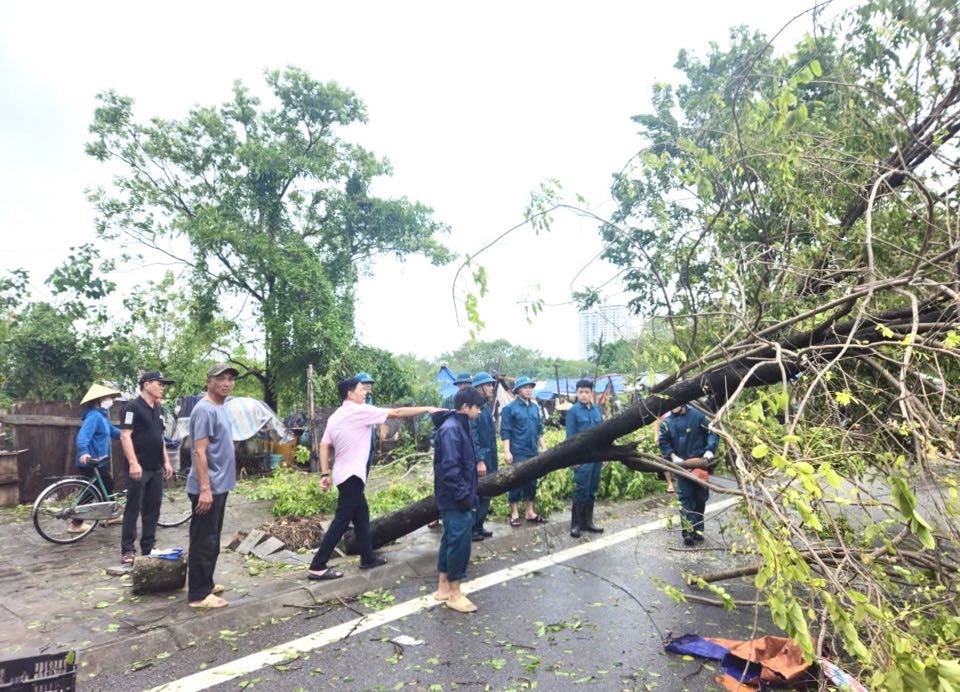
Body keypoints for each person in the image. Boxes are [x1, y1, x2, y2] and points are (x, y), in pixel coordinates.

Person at [308, 378, 442, 580]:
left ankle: (367, 558)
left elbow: (324, 445)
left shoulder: (336, 416)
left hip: (344, 475)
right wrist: (428, 409)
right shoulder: (359, 410)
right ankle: (318, 565)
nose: (365, 393)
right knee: (341, 521)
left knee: (362, 515)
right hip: (352, 475)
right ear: (350, 394)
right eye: (361, 389)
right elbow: (396, 413)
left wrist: (325, 473)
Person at [186, 363, 239, 609]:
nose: (227, 383)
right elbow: (199, 451)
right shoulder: (204, 410)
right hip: (208, 488)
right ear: (208, 381)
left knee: (212, 537)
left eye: (230, 379)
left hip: (219, 485)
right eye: (221, 379)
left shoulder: (221, 407)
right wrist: (205, 489)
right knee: (203, 540)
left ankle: (205, 582)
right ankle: (198, 595)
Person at [432, 387, 486, 613]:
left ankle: (443, 586)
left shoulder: (458, 426)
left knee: (450, 538)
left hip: (454, 495)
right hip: (454, 496)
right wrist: (465, 497)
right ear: (466, 407)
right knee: (459, 541)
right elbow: (451, 469)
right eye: (478, 408)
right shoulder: (452, 429)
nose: (480, 412)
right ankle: (454, 593)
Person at [119, 371, 175, 565]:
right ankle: (127, 549)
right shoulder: (131, 408)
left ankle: (148, 547)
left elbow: (159, 438)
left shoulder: (157, 409)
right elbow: (125, 436)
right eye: (159, 383)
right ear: (146, 384)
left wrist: (166, 461)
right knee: (133, 508)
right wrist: (133, 463)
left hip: (156, 467)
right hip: (139, 468)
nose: (162, 387)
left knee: (153, 509)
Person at [658, 402, 718, 546]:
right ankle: (688, 532)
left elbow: (712, 432)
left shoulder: (697, 416)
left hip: (699, 464)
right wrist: (672, 455)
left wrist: (710, 450)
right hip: (682, 466)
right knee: (685, 499)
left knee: (700, 498)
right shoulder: (666, 423)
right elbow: (663, 442)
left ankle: (698, 530)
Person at [72, 383, 123, 533]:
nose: (110, 400)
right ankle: (76, 523)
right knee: (94, 490)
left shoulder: (101, 417)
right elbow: (83, 436)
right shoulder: (94, 416)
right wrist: (83, 452)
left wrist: (132, 434)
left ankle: (112, 514)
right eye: (107, 398)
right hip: (91, 461)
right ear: (98, 400)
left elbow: (115, 432)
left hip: (99, 461)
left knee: (106, 485)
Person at [501, 376, 546, 526]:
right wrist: (507, 452)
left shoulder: (534, 407)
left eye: (530, 387)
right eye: (525, 387)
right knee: (516, 481)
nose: (528, 390)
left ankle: (529, 512)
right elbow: (505, 432)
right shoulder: (510, 409)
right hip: (518, 451)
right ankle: (514, 514)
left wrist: (544, 448)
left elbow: (539, 429)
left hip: (532, 450)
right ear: (518, 390)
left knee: (532, 482)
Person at [565, 379, 604, 538]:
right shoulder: (573, 412)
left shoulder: (596, 410)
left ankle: (588, 522)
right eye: (580, 392)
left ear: (591, 394)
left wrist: (605, 453)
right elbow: (570, 438)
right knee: (581, 490)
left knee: (592, 490)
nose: (583, 395)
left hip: (596, 457)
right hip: (582, 458)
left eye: (586, 392)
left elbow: (603, 433)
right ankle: (575, 525)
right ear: (577, 393)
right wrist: (572, 459)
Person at [471, 372, 498, 541]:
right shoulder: (475, 408)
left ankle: (480, 525)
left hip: (491, 456)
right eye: (488, 385)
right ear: (479, 387)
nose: (491, 387)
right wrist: (479, 459)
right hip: (481, 458)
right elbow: (473, 435)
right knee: (478, 493)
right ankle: (473, 528)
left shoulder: (486, 406)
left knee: (487, 492)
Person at [354, 371, 377, 475]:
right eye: (366, 383)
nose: (369, 385)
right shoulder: (354, 401)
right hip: (359, 446)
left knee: (365, 472)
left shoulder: (369, 399)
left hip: (370, 443)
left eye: (370, 383)